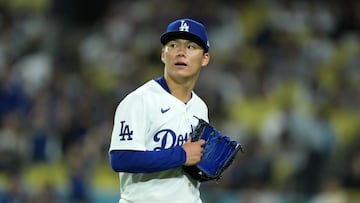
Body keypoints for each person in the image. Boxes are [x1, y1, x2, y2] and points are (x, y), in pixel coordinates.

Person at [109, 18, 211, 203]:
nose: (181, 52)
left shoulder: (200, 107)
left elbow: (190, 164)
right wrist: (181, 155)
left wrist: (205, 163)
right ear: (163, 55)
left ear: (205, 58)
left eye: (190, 47)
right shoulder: (139, 101)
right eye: (173, 45)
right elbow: (121, 159)